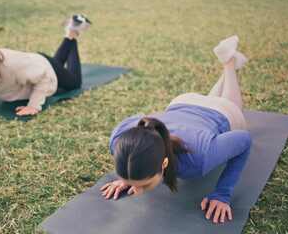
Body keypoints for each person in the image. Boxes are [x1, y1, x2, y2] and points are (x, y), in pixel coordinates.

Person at [101, 35, 251, 224]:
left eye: (144, 184)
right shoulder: (118, 140)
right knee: (214, 101)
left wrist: (222, 193)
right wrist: (130, 177)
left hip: (219, 112)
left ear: (164, 163)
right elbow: (136, 120)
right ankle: (227, 59)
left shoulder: (201, 159)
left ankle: (229, 63)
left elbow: (244, 140)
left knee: (231, 104)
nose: (137, 192)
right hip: (182, 102)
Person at [0, 14, 91, 116]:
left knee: (75, 83)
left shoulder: (9, 64)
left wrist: (33, 105)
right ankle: (70, 34)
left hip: (43, 68)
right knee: (57, 63)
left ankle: (72, 34)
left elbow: (43, 78)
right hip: (33, 63)